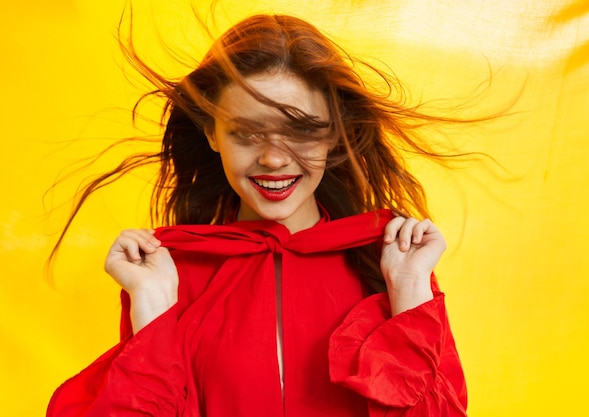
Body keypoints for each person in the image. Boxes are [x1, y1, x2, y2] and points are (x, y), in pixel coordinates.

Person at [47, 13, 468, 417]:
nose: (272, 158)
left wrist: (411, 290)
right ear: (212, 133)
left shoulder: (390, 269)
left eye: (302, 130)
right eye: (246, 133)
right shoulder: (170, 277)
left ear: (334, 134)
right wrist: (154, 308)